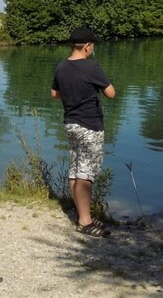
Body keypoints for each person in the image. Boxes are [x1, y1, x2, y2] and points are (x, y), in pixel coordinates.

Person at [50, 27, 116, 238]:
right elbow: (111, 93)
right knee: (85, 174)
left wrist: (73, 94)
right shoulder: (91, 67)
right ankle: (85, 222)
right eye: (93, 46)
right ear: (87, 46)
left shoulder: (61, 67)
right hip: (90, 126)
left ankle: (82, 213)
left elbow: (54, 94)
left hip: (71, 124)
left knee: (76, 169)